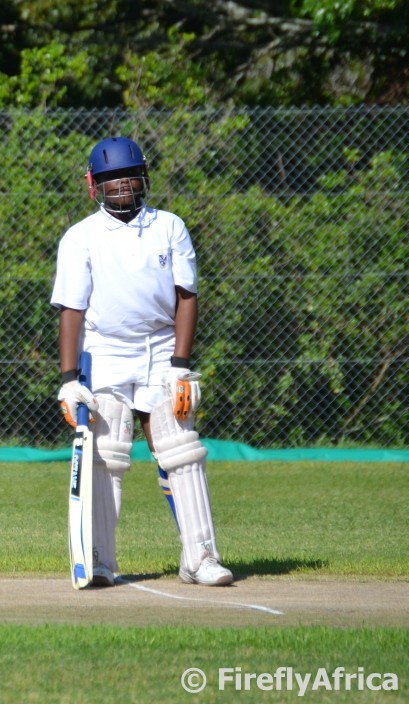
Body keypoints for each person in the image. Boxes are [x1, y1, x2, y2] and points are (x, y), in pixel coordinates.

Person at [51, 136, 233, 588]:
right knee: (106, 456)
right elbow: (72, 310)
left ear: (145, 177)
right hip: (105, 351)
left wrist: (180, 364)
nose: (122, 184)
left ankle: (200, 557)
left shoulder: (169, 226)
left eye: (130, 176)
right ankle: (100, 559)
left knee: (181, 451)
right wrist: (70, 379)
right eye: (111, 178)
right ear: (93, 184)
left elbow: (186, 296)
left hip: (160, 347)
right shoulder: (80, 237)